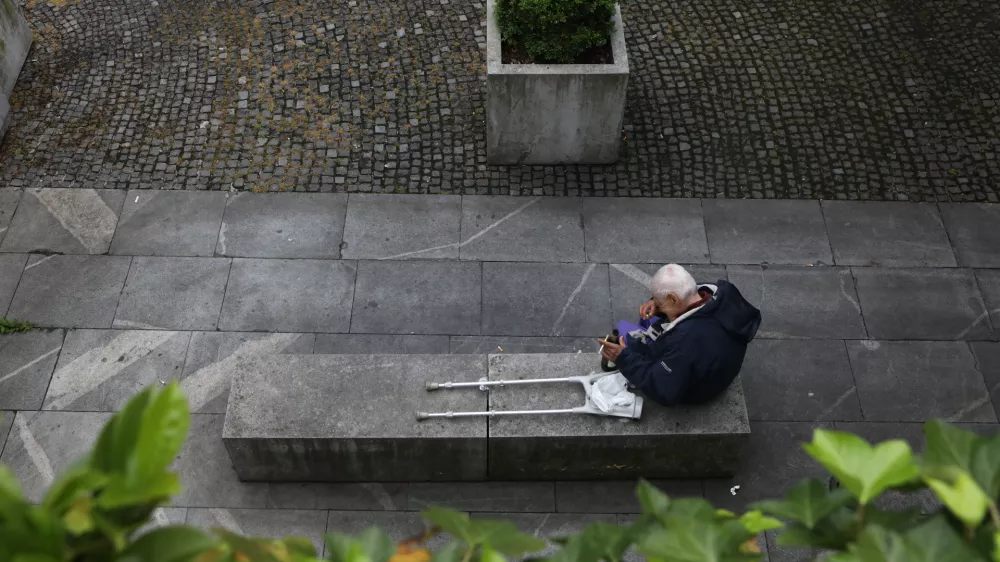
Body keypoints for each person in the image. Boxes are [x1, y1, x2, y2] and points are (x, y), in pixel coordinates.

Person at [597, 264, 760, 407]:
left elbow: (663, 391)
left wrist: (624, 359)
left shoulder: (684, 342)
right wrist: (658, 304)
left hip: (696, 390)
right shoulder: (718, 292)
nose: (656, 305)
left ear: (673, 299)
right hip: (717, 364)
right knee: (647, 319)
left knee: (628, 343)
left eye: (660, 302)